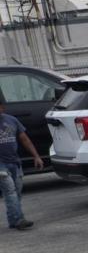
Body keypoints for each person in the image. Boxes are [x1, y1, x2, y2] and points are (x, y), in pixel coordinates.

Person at [0, 91, 43, 231]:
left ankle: (13, 219)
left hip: (14, 162)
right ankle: (19, 220)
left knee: (17, 191)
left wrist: (36, 156)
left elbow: (24, 139)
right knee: (10, 191)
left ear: (2, 108)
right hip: (1, 165)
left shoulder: (11, 120)